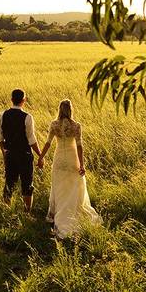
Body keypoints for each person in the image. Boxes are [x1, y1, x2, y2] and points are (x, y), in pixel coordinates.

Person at [36, 99, 102, 237]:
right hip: (73, 159)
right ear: (70, 110)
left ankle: (57, 214)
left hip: (59, 159)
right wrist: (82, 164)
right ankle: (73, 212)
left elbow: (48, 143)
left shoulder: (54, 125)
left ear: (60, 109)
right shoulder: (76, 126)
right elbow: (79, 146)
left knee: (59, 188)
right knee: (74, 188)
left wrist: (41, 157)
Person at [0, 88, 42, 212]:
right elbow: (31, 140)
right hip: (25, 155)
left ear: (11, 100)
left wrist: (4, 153)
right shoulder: (28, 117)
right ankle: (27, 211)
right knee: (27, 184)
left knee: (9, 183)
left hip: (10, 154)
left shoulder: (2, 115)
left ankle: (6, 210)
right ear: (24, 100)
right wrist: (40, 155)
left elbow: (0, 138)